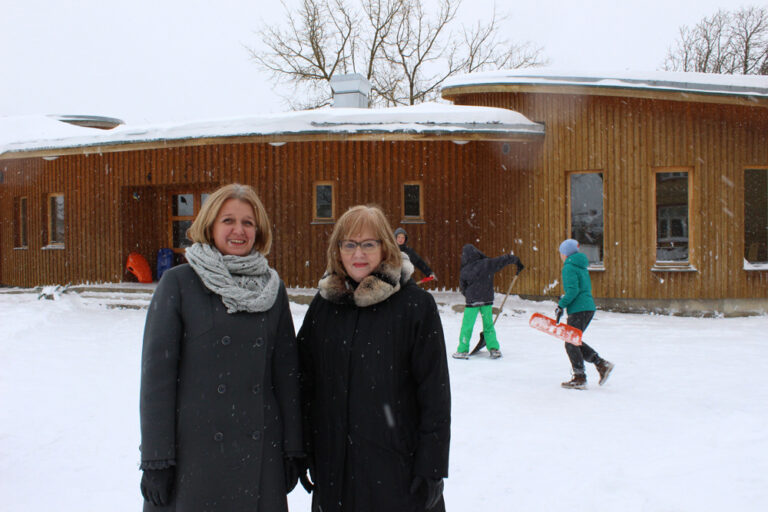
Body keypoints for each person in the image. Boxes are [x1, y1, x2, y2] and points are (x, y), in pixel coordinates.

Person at [138, 184, 303, 511]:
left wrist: (293, 449)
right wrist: (157, 459)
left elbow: (287, 376)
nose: (239, 230)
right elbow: (157, 381)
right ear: (210, 225)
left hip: (260, 456)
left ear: (259, 231)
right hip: (194, 456)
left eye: (248, 223)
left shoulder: (272, 289)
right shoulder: (179, 283)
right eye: (228, 220)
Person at [297, 205, 451, 512]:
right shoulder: (324, 306)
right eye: (349, 244)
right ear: (337, 250)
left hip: (397, 472)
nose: (359, 253)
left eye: (369, 243)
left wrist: (432, 466)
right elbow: (303, 384)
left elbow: (434, 394)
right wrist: (302, 451)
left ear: (386, 247)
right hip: (334, 471)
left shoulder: (416, 306)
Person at [555, 238, 615, 389]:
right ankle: (601, 364)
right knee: (574, 340)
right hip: (587, 307)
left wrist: (561, 304)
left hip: (579, 309)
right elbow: (578, 289)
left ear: (565, 254)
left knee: (570, 342)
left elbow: (573, 291)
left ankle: (580, 377)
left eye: (561, 253)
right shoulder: (581, 265)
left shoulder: (569, 267)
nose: (560, 256)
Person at [454, 244, 523, 359]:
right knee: (488, 326)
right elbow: (503, 259)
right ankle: (494, 349)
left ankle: (462, 350)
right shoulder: (487, 264)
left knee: (467, 326)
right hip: (486, 301)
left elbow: (463, 287)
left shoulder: (465, 270)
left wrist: (470, 296)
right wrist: (516, 261)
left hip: (472, 303)